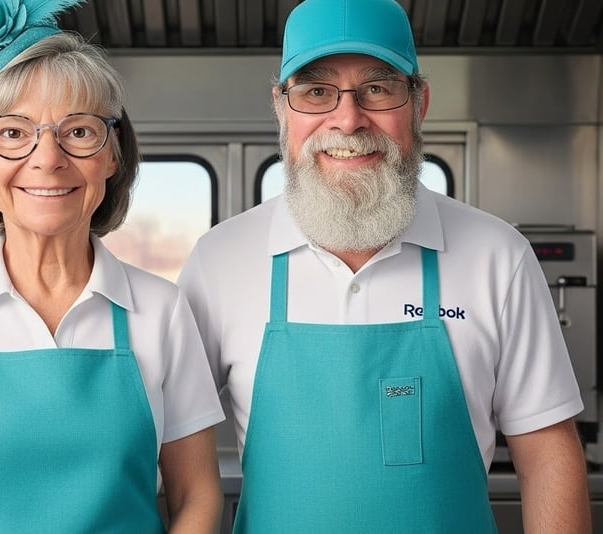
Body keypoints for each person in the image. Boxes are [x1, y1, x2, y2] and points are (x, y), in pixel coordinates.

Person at [178, 0, 592, 532]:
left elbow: (549, 454)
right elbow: (165, 445)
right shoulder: (220, 261)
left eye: (377, 88)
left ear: (418, 103)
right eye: (316, 91)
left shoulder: (499, 255)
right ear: (282, 108)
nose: (348, 120)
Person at [0, 1, 224, 532]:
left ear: (113, 156)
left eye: (79, 131)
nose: (47, 158)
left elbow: (197, 496)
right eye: (14, 132)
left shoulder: (162, 309)